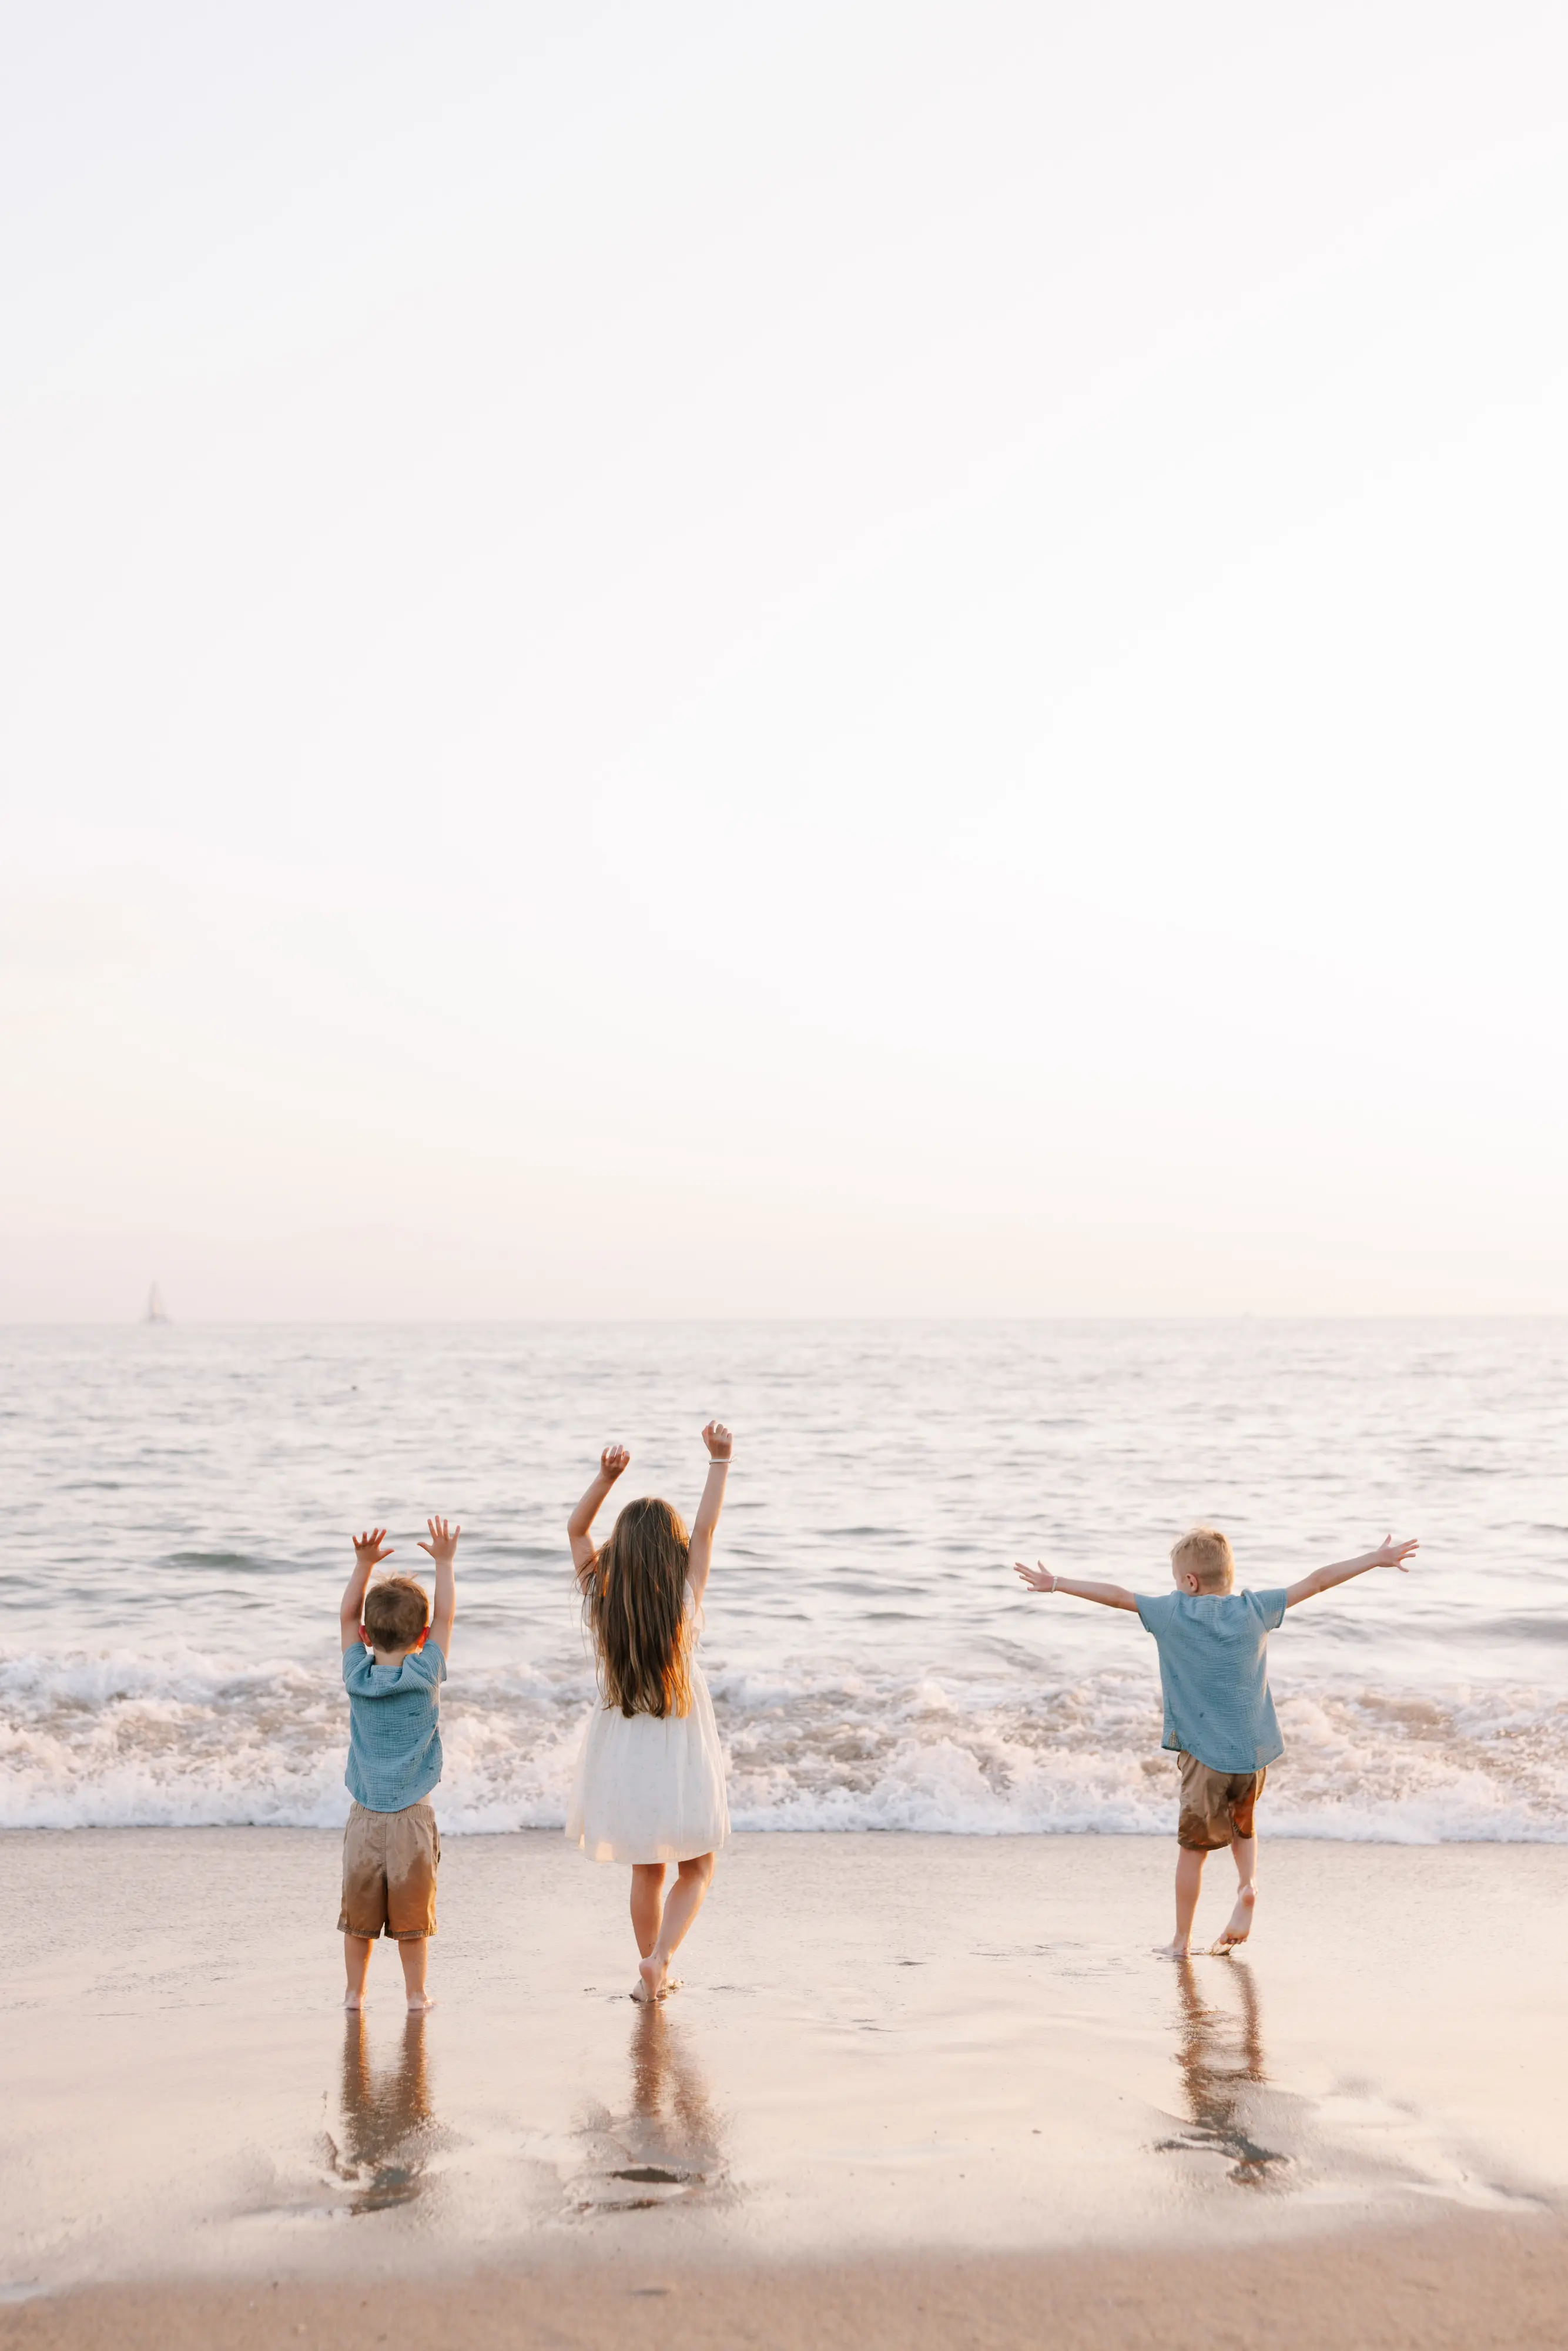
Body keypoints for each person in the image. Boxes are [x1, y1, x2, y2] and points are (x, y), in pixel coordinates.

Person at [1014, 1525, 1418, 1955]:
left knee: (1194, 1850)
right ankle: (1248, 1886)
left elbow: (1116, 1596)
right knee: (1244, 1827)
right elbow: (1318, 1581)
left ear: (1189, 1582)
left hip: (1203, 1757)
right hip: (1253, 1753)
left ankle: (1180, 1941)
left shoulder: (1172, 1613)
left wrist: (1056, 1583)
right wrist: (1374, 1559)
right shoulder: (1256, 1608)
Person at [566, 1422, 733, 2002]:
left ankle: (649, 1965)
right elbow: (708, 1526)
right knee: (698, 1866)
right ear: (674, 1553)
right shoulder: (685, 1602)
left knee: (647, 1868)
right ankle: (660, 1960)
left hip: (624, 1749)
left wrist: (606, 1477)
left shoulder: (601, 1602)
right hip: (680, 1747)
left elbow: (577, 1529)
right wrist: (720, 1461)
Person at [337, 1516, 459, 2011]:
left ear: (367, 1634)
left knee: (359, 1920)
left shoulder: (355, 1674)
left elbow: (345, 1617)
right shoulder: (426, 1671)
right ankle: (416, 1995)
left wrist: (362, 1565)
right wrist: (446, 1564)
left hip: (365, 1817)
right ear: (423, 1636)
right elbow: (448, 1618)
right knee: (412, 1921)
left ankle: (354, 1994)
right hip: (413, 1816)